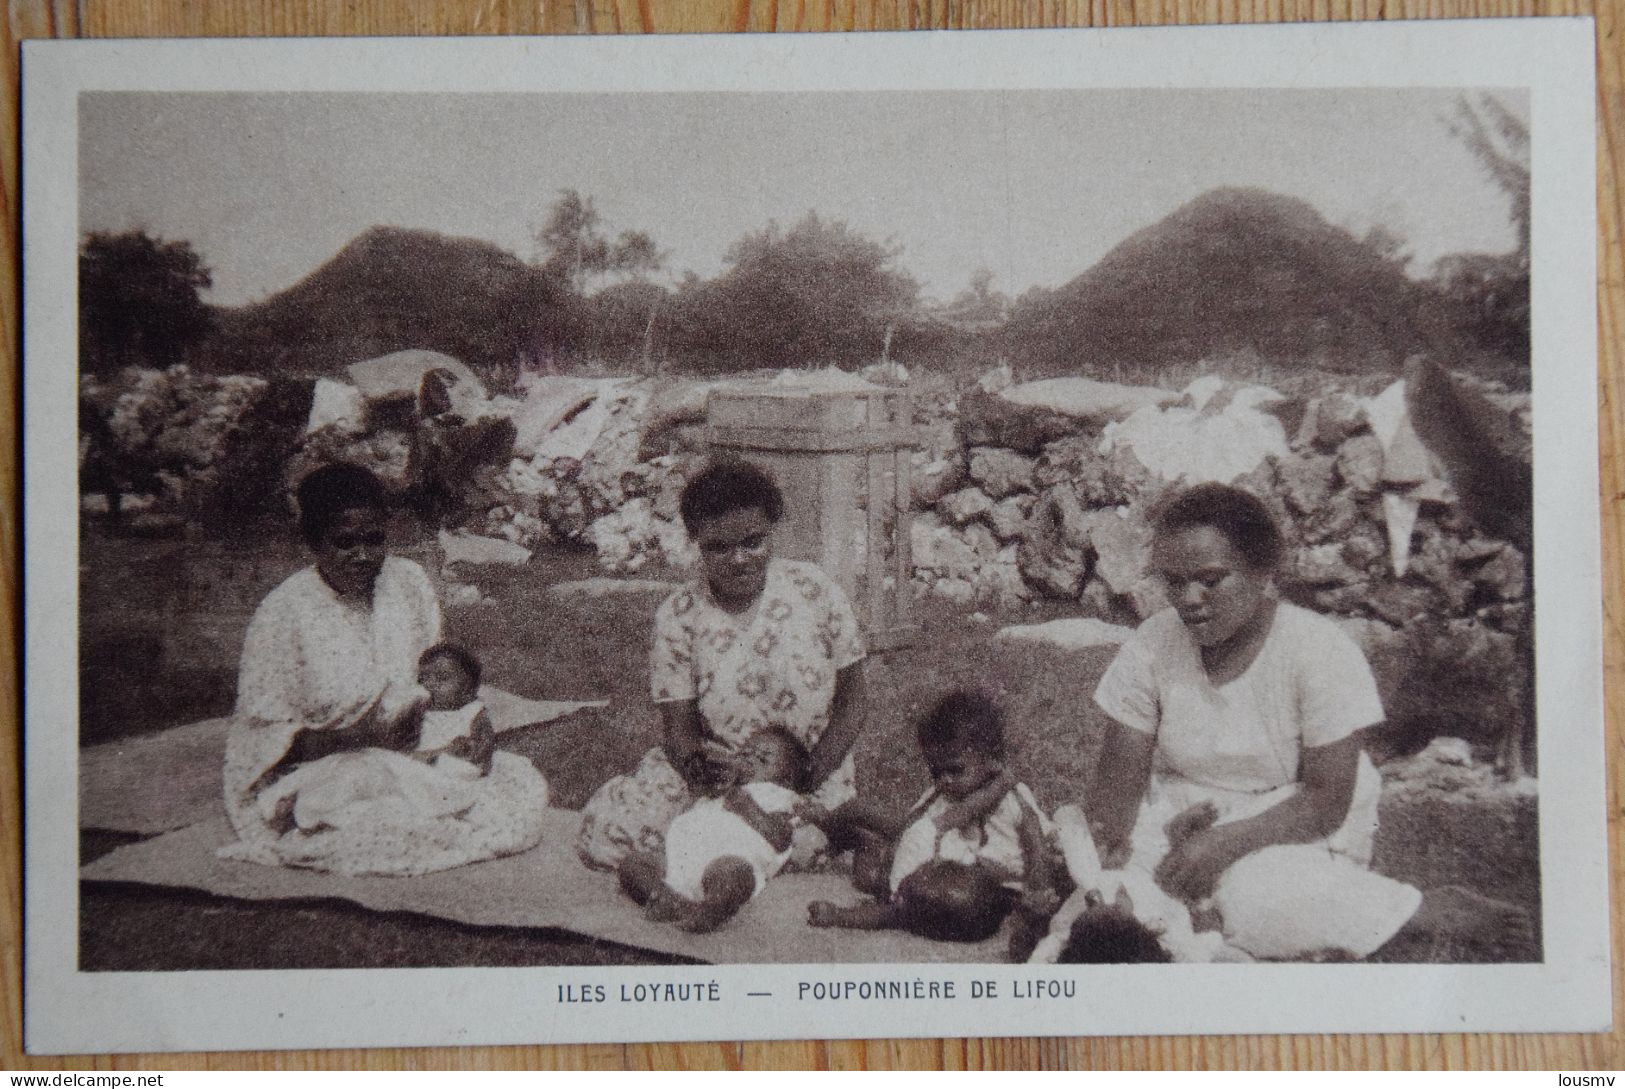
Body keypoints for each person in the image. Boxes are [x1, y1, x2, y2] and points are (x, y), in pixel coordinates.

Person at [1084, 482, 1527, 960]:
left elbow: (1327, 797)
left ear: (1263, 571)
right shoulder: (1153, 643)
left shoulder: (1316, 649)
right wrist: (1104, 848)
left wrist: (1223, 845)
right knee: (1107, 899)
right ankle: (1199, 925)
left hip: (1291, 817)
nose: (1190, 598)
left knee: (1259, 903)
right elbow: (1118, 784)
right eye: (1173, 581)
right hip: (1181, 811)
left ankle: (1419, 910)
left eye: (1211, 580)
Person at [219, 463, 550, 876]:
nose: (363, 556)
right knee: (371, 818)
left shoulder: (407, 582)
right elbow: (261, 740)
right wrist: (357, 738)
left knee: (517, 785)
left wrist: (466, 729)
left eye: (375, 540)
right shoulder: (282, 613)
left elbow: (439, 681)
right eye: (345, 543)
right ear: (312, 542)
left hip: (415, 752)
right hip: (332, 764)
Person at [576, 460, 868, 870]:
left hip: (806, 769)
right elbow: (679, 730)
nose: (739, 559)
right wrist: (715, 785)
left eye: (753, 541)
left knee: (804, 839)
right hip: (716, 773)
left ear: (772, 529)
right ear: (695, 540)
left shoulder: (814, 588)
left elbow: (855, 698)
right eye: (718, 547)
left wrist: (807, 776)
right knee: (614, 830)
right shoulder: (679, 614)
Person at [805, 691, 1061, 948]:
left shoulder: (1011, 797)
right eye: (936, 771)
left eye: (955, 769)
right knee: (868, 850)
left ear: (992, 761)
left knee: (888, 888)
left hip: (998, 888)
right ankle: (848, 834)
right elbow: (911, 830)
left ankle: (863, 846)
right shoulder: (941, 797)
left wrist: (1040, 889)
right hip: (949, 871)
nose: (944, 780)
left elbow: (1035, 842)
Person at [617, 727, 811, 932]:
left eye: (763, 760)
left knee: (733, 876)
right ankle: (671, 900)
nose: (750, 760)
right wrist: (702, 792)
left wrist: (749, 808)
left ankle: (711, 909)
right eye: (745, 753)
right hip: (679, 859)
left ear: (787, 779)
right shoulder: (720, 786)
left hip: (731, 860)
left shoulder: (779, 797)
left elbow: (782, 839)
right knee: (633, 864)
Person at [413, 642, 496, 778]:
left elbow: (484, 751)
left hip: (455, 772)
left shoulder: (473, 712)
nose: (430, 684)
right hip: (422, 767)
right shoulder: (420, 710)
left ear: (466, 688)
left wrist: (470, 748)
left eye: (442, 678)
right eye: (424, 677)